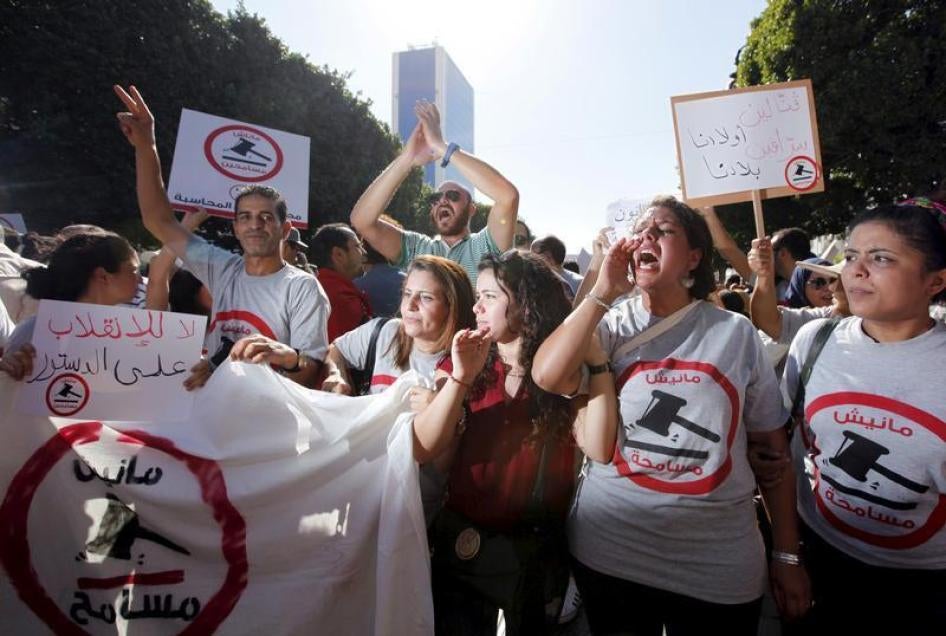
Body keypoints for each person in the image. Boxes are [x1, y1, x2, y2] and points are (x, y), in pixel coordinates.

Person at [532, 195, 810, 634]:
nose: (646, 238)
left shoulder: (734, 333)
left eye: (662, 231)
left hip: (716, 564)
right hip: (611, 550)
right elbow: (547, 376)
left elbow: (773, 454)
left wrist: (787, 555)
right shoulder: (610, 324)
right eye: (640, 231)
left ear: (694, 258)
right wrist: (602, 292)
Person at [416, 250, 619, 635]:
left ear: (525, 304)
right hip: (462, 546)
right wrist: (459, 379)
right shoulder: (464, 362)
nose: (476, 307)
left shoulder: (561, 373)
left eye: (489, 297)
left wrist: (596, 363)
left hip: (535, 555)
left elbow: (599, 448)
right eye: (478, 296)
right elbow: (422, 447)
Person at [778, 201, 946, 634]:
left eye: (881, 258)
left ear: (936, 281)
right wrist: (788, 556)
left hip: (925, 586)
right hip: (820, 557)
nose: (856, 270)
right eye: (851, 256)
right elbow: (783, 453)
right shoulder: (815, 340)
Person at [114, 84, 329, 388]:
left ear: (285, 229)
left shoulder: (304, 288)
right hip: (213, 410)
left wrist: (287, 357)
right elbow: (158, 220)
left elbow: (310, 372)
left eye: (266, 217)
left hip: (268, 421)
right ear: (235, 228)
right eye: (245, 217)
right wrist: (145, 145)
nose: (255, 224)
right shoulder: (221, 267)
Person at [351, 100, 518, 283]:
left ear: (472, 209)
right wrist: (408, 158)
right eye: (435, 198)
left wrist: (441, 147)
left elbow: (507, 196)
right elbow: (362, 221)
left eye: (453, 196)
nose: (442, 201)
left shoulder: (486, 246)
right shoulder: (417, 249)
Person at [0, 233, 187, 385]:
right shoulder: (32, 334)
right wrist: (10, 370)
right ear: (103, 276)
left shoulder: (135, 331)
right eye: (133, 270)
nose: (140, 279)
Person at [310, 223, 371, 342]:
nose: (364, 252)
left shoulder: (322, 287)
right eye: (358, 246)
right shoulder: (340, 299)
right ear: (339, 255)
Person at [532, 234, 583, 298]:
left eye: (533, 255)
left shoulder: (579, 283)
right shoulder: (533, 281)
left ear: (548, 256)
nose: (529, 259)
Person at [771, 227, 815, 302]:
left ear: (782, 253)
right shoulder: (780, 284)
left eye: (771, 251)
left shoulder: (817, 285)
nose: (768, 256)